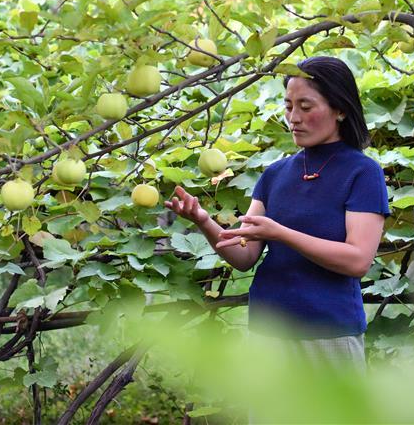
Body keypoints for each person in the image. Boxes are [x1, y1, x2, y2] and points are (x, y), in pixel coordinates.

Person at [165, 56, 389, 370]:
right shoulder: (275, 174)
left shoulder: (363, 172)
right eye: (288, 106)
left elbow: (357, 260)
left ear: (340, 109)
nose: (293, 117)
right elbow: (244, 256)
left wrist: (281, 234)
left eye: (306, 107)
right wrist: (203, 220)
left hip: (329, 336)